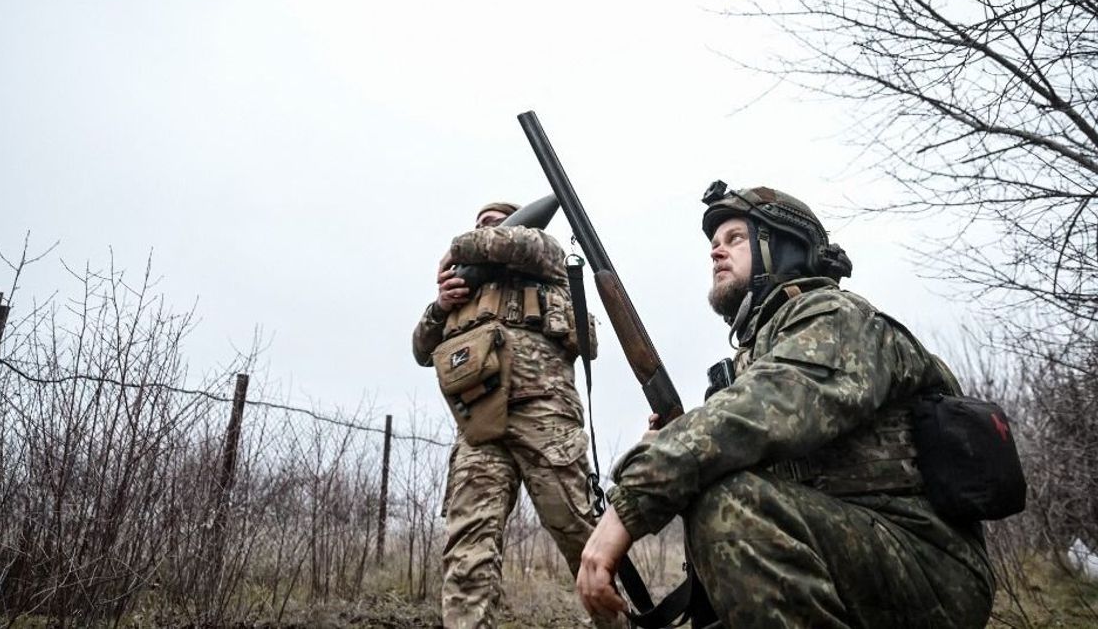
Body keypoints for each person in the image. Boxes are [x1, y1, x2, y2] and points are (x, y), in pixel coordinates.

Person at [575, 184, 995, 628]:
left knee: (730, 506)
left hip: (930, 566)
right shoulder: (757, 354)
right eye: (714, 245)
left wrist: (633, 499)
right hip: (850, 550)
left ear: (784, 248)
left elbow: (762, 409)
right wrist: (670, 450)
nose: (717, 253)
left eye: (735, 239)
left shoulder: (838, 317)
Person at [413, 201, 622, 629]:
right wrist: (440, 303)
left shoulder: (540, 253)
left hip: (545, 414)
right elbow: (420, 348)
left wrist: (460, 247)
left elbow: (520, 242)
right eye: (480, 226)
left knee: (584, 538)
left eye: (496, 224)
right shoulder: (462, 292)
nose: (487, 232)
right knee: (467, 551)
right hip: (479, 425)